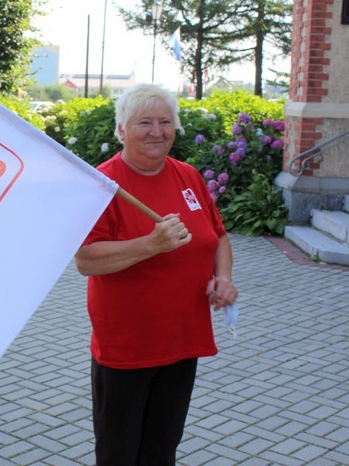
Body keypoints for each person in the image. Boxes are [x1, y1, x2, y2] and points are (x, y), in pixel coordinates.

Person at [75, 83, 238, 465]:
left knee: (162, 448)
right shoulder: (103, 185)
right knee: (119, 453)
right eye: (144, 122)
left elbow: (218, 238)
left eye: (165, 122)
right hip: (128, 347)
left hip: (182, 339)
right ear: (121, 130)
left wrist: (224, 278)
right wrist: (152, 244)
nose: (157, 131)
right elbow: (86, 260)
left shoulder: (188, 177)